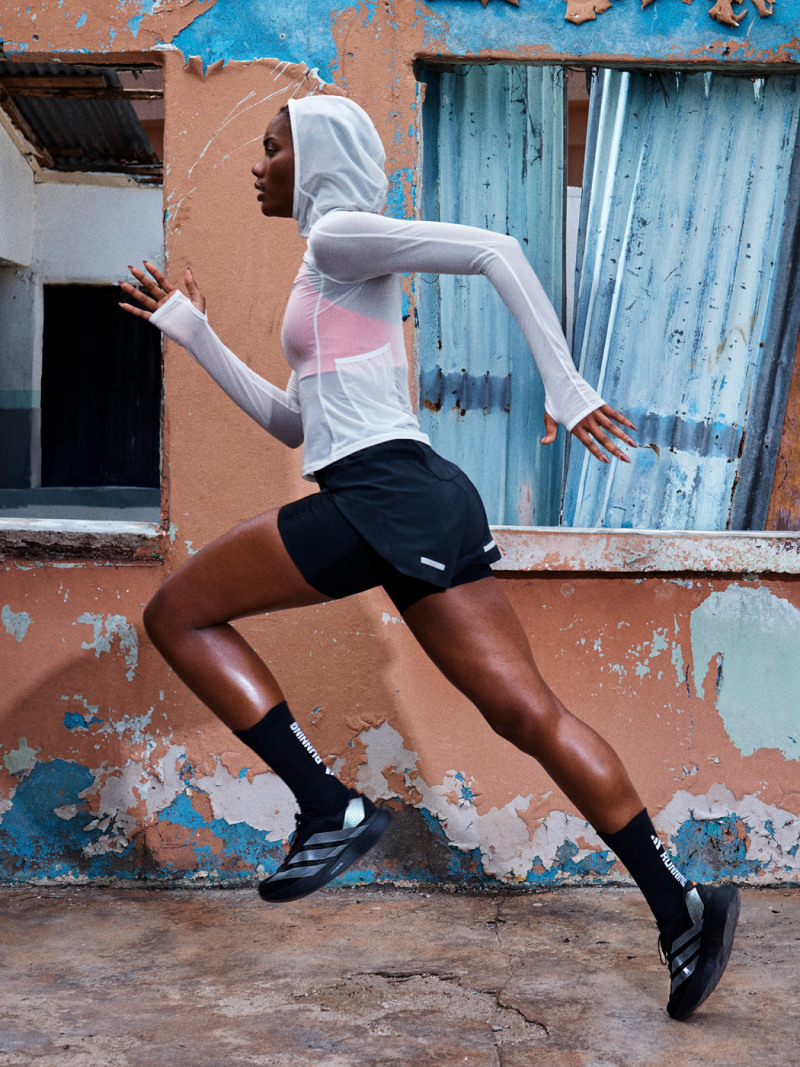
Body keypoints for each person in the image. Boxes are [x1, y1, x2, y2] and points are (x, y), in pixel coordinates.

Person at [119, 94, 738, 1021]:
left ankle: (329, 806)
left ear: (316, 156)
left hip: (382, 495)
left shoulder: (338, 239)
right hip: (418, 496)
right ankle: (680, 906)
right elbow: (299, 423)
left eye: (273, 147)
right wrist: (194, 332)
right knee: (530, 714)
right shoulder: (328, 265)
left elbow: (498, 250)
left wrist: (566, 391)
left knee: (177, 614)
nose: (259, 163)